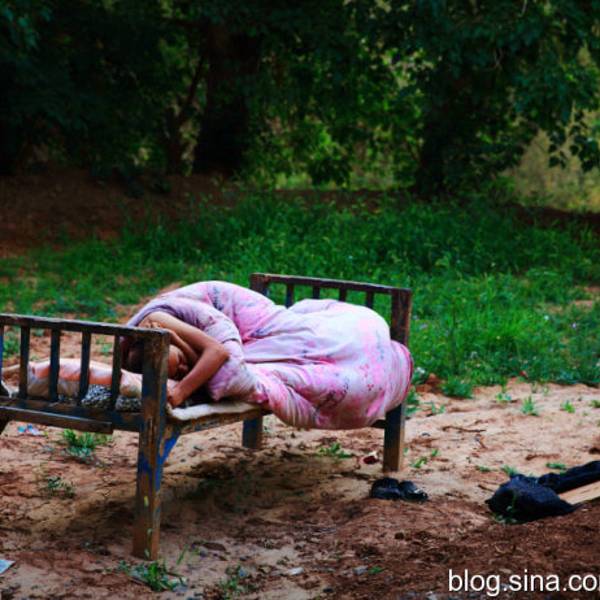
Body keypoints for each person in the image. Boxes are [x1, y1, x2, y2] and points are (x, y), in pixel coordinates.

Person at [123, 281, 413, 430]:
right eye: (177, 372)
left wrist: (180, 390)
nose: (183, 369)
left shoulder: (160, 318)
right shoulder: (143, 347)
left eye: (179, 363)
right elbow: (202, 357)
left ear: (164, 335)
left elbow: (219, 351)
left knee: (326, 339)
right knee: (333, 382)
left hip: (245, 325)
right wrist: (180, 347)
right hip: (196, 341)